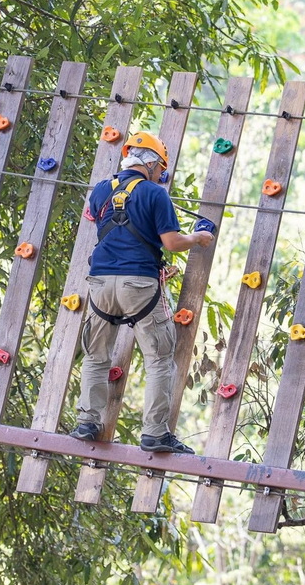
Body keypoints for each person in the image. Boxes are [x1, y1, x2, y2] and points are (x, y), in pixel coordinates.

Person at [69, 131, 214, 453]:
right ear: (150, 163)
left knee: (96, 356)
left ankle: (87, 423)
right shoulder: (155, 194)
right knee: (160, 359)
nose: (162, 174)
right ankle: (155, 434)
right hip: (140, 284)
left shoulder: (102, 190)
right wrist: (197, 238)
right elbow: (172, 243)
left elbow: (94, 216)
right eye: (162, 168)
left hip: (101, 283)